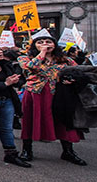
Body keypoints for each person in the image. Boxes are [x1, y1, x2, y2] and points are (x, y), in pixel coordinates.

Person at [17, 33, 84, 165]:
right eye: (40, 42)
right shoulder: (24, 58)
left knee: (63, 121)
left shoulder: (65, 60)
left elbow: (79, 71)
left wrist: (72, 79)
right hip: (36, 93)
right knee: (30, 121)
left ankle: (68, 151)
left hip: (59, 94)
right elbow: (32, 67)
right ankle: (27, 150)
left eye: (48, 41)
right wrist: (42, 53)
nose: (45, 44)